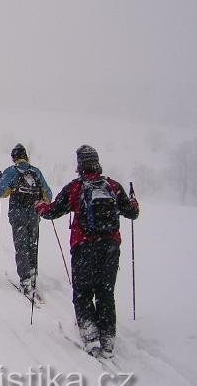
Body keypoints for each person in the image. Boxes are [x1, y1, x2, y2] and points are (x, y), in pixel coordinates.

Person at [34, 145, 139, 358]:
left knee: (82, 293)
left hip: (84, 246)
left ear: (80, 165)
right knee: (105, 292)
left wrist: (40, 206)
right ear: (97, 163)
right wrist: (134, 201)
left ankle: (90, 335)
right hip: (110, 246)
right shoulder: (113, 186)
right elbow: (132, 213)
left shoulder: (76, 188)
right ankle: (108, 339)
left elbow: (53, 212)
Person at [0, 144, 52, 295]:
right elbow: (48, 195)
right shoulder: (36, 172)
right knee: (32, 245)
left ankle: (25, 280)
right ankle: (33, 274)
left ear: (14, 157)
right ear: (26, 156)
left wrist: (0, 181)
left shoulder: (11, 172)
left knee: (21, 247)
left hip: (17, 215)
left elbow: (0, 193)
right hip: (34, 215)